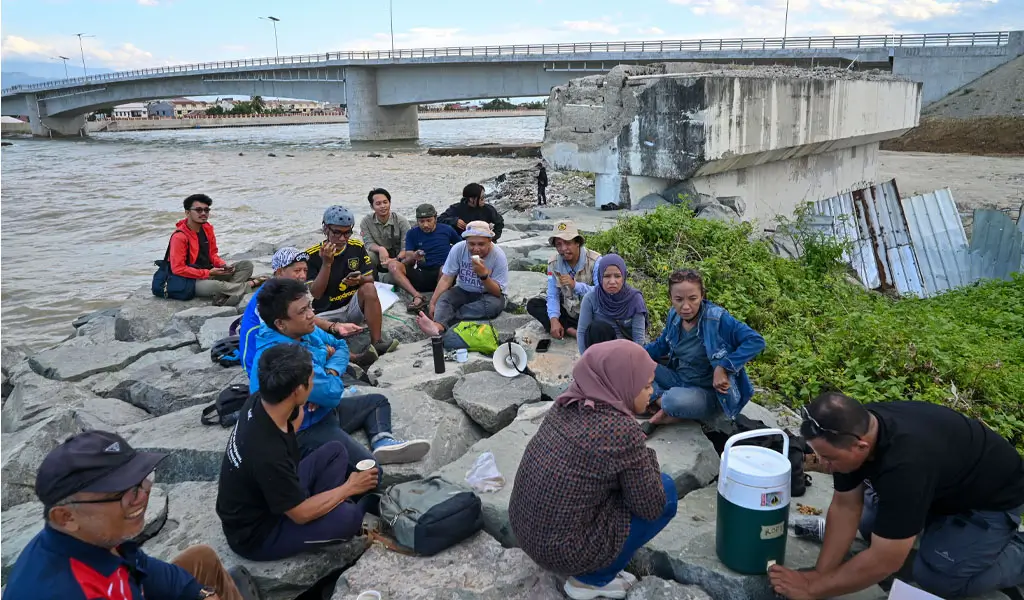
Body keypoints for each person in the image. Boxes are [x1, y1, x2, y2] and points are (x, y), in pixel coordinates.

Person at [769, 392, 1024, 600]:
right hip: (937, 488)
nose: (823, 464)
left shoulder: (905, 466)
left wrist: (812, 590)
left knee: (936, 579)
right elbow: (846, 506)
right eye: (819, 454)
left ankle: (1017, 553)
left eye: (830, 458)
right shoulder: (851, 427)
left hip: (988, 502)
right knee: (870, 526)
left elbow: (885, 560)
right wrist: (819, 574)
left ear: (861, 446)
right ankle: (932, 532)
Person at [508, 340, 678, 600]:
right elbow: (651, 506)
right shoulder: (620, 429)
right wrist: (645, 454)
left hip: (525, 530)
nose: (652, 391)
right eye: (645, 385)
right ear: (622, 383)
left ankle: (594, 566)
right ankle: (591, 580)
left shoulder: (567, 402)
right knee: (665, 490)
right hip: (561, 552)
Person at [4, 430, 259, 600]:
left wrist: (200, 594)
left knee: (201, 557)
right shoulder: (62, 590)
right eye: (124, 493)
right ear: (65, 517)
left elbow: (145, 567)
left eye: (143, 481)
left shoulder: (96, 536)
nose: (143, 497)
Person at [217, 344, 381, 561]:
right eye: (312, 379)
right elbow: (300, 514)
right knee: (348, 519)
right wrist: (350, 487)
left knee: (335, 451)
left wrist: (301, 402)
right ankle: (337, 511)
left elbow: (295, 419)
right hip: (257, 533)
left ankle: (325, 506)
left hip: (272, 496)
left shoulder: (259, 401)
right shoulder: (267, 451)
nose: (315, 384)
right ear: (297, 390)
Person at [249, 277, 430, 466]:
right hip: (302, 429)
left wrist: (328, 372)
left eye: (309, 306)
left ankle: (382, 442)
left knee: (377, 402)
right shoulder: (282, 356)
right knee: (371, 472)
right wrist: (328, 373)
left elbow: (340, 345)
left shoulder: (302, 328)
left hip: (321, 410)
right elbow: (333, 394)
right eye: (303, 311)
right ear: (280, 323)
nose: (312, 315)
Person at [645, 269, 765, 425]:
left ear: (702, 295)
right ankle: (665, 405)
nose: (686, 306)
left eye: (693, 299)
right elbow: (662, 345)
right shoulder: (673, 316)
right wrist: (634, 353)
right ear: (671, 298)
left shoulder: (717, 319)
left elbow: (756, 341)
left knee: (672, 401)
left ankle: (661, 404)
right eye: (679, 299)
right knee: (637, 366)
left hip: (707, 393)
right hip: (678, 378)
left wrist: (723, 367)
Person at [239, 247, 365, 375]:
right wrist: (321, 352)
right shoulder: (270, 299)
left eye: (305, 270)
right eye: (297, 271)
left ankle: (348, 356)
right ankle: (343, 362)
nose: (303, 276)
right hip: (264, 366)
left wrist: (334, 327)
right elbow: (277, 339)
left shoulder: (283, 291)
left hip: (282, 347)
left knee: (315, 333)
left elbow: (300, 318)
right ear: (279, 271)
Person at [305, 205, 398, 358]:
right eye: (337, 232)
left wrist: (360, 280)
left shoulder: (356, 247)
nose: (342, 238)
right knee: (306, 327)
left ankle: (377, 342)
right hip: (325, 313)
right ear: (326, 229)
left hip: (351, 307)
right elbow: (316, 292)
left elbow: (371, 278)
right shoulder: (312, 255)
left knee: (368, 288)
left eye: (347, 232)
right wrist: (327, 263)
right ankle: (353, 358)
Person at [415, 220, 508, 336]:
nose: (476, 249)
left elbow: (497, 292)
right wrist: (433, 302)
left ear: (490, 241)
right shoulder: (458, 249)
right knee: (445, 298)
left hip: (488, 294)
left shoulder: (498, 256)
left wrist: (484, 276)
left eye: (481, 244)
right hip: (463, 290)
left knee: (493, 306)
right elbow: (446, 279)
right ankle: (438, 327)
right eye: (471, 244)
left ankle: (448, 321)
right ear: (466, 242)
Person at [169, 193, 259, 307]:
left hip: (210, 273)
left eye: (206, 210)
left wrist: (222, 265)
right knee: (217, 285)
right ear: (187, 212)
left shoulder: (207, 229)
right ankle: (249, 285)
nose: (203, 213)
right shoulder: (179, 237)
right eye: (198, 210)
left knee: (246, 265)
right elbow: (178, 269)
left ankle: (225, 294)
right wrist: (208, 272)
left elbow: (212, 254)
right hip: (190, 281)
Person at [526, 220, 600, 340]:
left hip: (590, 314)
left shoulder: (596, 261)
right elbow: (552, 294)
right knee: (533, 305)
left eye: (567, 243)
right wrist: (554, 319)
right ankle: (570, 329)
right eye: (559, 244)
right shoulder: (553, 264)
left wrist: (575, 285)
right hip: (568, 311)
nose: (563, 248)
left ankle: (570, 329)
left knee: (604, 321)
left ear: (577, 243)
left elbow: (601, 293)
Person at [577, 254, 648, 355]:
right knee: (597, 328)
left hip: (626, 352)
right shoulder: (591, 298)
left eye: (617, 276)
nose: (612, 281)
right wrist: (585, 361)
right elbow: (582, 332)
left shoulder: (634, 299)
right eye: (606, 276)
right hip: (600, 351)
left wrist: (633, 363)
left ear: (624, 277)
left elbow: (639, 339)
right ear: (600, 277)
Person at [400, 203, 462, 313]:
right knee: (394, 266)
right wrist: (414, 256)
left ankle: (436, 301)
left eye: (429, 220)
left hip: (443, 275)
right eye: (422, 222)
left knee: (444, 269)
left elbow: (461, 247)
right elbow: (407, 260)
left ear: (435, 218)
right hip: (421, 272)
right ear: (417, 221)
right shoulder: (412, 233)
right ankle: (417, 296)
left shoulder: (447, 230)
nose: (425, 225)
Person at [438, 183, 504, 241]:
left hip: (483, 242)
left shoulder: (488, 209)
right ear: (471, 199)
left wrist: (493, 238)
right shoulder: (456, 208)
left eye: (484, 197)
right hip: (462, 242)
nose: (484, 200)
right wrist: (454, 221)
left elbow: (500, 222)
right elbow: (439, 220)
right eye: (481, 198)